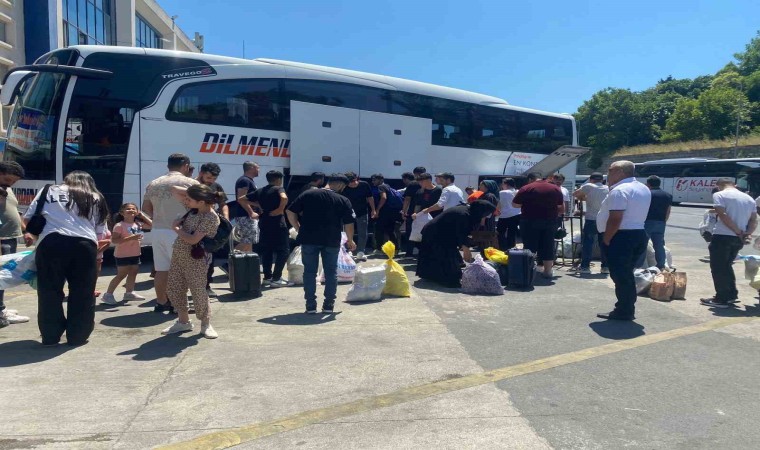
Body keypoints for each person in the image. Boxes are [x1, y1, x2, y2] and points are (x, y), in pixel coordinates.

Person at [24, 171, 109, 346]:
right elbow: (101, 231)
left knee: (49, 290)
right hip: (85, 245)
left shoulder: (48, 191)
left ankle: (50, 335)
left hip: (51, 242)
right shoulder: (96, 196)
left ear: (67, 180)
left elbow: (28, 217)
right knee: (83, 291)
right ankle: (78, 335)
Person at [287, 174, 356, 314]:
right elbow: (349, 222)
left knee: (309, 272)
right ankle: (329, 306)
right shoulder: (343, 199)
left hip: (309, 239)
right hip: (332, 240)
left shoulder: (309, 193)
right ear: (341, 185)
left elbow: (290, 211)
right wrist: (350, 239)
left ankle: (310, 306)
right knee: (331, 273)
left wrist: (298, 228)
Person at [161, 184, 223, 339]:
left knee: (198, 291)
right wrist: (194, 190)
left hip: (196, 259)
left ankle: (206, 324)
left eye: (189, 199)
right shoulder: (194, 209)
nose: (186, 200)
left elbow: (193, 239)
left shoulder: (210, 217)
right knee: (175, 288)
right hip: (179, 255)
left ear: (201, 202)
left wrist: (176, 228)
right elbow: (175, 190)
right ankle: (183, 321)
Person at [142, 153, 198, 313]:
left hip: (158, 230)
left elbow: (146, 209)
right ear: (186, 166)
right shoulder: (190, 183)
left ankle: (161, 302)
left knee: (161, 270)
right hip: (180, 231)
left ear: (168, 166)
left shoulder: (153, 183)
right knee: (181, 271)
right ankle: (178, 306)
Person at [596, 161, 651, 321]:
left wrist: (606, 239)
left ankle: (624, 310)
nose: (608, 173)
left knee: (620, 276)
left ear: (620, 171)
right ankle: (626, 307)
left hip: (620, 236)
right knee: (626, 274)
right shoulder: (642, 188)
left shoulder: (620, 190)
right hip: (637, 234)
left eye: (610, 170)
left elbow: (615, 219)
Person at [700, 178, 757, 308]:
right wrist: (746, 233)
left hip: (723, 236)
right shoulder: (748, 198)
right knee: (727, 266)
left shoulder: (719, 195)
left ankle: (721, 298)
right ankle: (731, 294)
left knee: (718, 267)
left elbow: (723, 214)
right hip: (738, 239)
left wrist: (736, 231)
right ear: (734, 185)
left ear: (719, 185)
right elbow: (754, 219)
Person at [416, 200, 497, 287]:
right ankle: (444, 278)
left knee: (443, 257)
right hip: (435, 234)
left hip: (443, 234)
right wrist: (466, 250)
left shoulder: (468, 212)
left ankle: (432, 276)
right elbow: (461, 233)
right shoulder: (464, 215)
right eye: (487, 213)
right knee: (446, 261)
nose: (487, 215)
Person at [242, 170, 290, 287]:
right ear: (279, 179)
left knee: (267, 251)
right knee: (283, 251)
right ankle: (277, 278)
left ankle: (267, 277)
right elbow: (284, 198)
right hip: (278, 223)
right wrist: (280, 210)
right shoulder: (278, 188)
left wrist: (258, 205)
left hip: (264, 222)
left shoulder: (261, 190)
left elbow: (241, 198)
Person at [512, 172, 564, 278]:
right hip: (550, 221)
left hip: (529, 221)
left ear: (531, 180)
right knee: (548, 245)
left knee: (529, 246)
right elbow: (561, 207)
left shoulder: (526, 188)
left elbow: (515, 204)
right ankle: (548, 271)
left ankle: (528, 271)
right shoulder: (555, 188)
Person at [0, 162, 31, 327]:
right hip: (1, 240)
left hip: (10, 238)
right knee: (1, 276)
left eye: (13, 181)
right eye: (7, 179)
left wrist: (25, 231)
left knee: (4, 277)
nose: (10, 183)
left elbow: (14, 211)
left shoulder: (7, 189)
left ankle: (1, 307)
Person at [102, 203, 152, 305]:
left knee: (133, 272)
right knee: (121, 274)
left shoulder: (137, 224)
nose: (131, 210)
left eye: (134, 209)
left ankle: (129, 292)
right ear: (122, 212)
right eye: (128, 209)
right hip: (122, 254)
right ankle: (108, 295)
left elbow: (152, 225)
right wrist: (131, 238)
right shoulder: (119, 225)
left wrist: (143, 216)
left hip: (135, 253)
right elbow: (115, 240)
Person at [195, 163, 228, 297]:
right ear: (201, 173)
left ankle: (206, 286)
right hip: (193, 224)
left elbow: (223, 204)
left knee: (209, 256)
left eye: (213, 178)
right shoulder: (192, 185)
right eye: (208, 177)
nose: (211, 181)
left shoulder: (216, 187)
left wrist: (225, 219)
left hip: (211, 225)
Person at [574, 172, 610, 274]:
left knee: (588, 243)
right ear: (602, 180)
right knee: (604, 244)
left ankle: (585, 266)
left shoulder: (589, 186)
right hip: (604, 219)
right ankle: (605, 267)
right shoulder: (607, 188)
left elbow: (575, 194)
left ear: (591, 179)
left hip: (591, 219)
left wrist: (585, 197)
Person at [635, 175, 673, 270]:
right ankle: (661, 265)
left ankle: (639, 266)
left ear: (648, 184)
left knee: (643, 244)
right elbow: (668, 211)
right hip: (660, 223)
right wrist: (664, 221)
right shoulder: (667, 195)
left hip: (646, 222)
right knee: (659, 245)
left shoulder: (647, 194)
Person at [342, 172, 376, 261]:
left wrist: (373, 209)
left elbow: (370, 197)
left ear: (357, 179)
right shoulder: (343, 187)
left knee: (363, 232)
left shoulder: (364, 185)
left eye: (354, 181)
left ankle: (361, 251)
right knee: (347, 232)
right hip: (347, 212)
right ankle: (348, 250)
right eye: (350, 182)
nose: (352, 184)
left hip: (362, 212)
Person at [231, 161, 260, 252]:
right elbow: (240, 199)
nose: (259, 170)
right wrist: (251, 212)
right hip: (245, 215)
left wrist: (258, 205)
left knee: (250, 240)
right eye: (257, 168)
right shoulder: (244, 180)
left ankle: (248, 263)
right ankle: (230, 261)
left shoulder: (249, 181)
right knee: (247, 240)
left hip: (247, 215)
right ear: (251, 168)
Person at [370, 174, 402, 251]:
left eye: (375, 180)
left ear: (381, 180)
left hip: (384, 212)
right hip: (391, 212)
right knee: (391, 231)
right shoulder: (388, 186)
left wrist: (377, 210)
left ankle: (379, 249)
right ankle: (396, 248)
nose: (373, 182)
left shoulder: (381, 187)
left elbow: (383, 198)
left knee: (379, 230)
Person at [401, 167, 426, 255]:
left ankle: (409, 252)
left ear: (415, 174)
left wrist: (403, 211)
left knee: (411, 232)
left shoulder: (413, 184)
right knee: (424, 232)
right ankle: (422, 251)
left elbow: (407, 199)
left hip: (413, 212)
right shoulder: (430, 184)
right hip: (426, 213)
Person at [496, 178, 521, 250]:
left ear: (506, 184)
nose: (502, 185)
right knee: (512, 232)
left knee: (500, 232)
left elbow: (499, 204)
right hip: (517, 214)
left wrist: (497, 211)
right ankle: (511, 247)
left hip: (505, 215)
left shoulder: (502, 192)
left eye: (503, 184)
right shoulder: (518, 191)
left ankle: (502, 247)